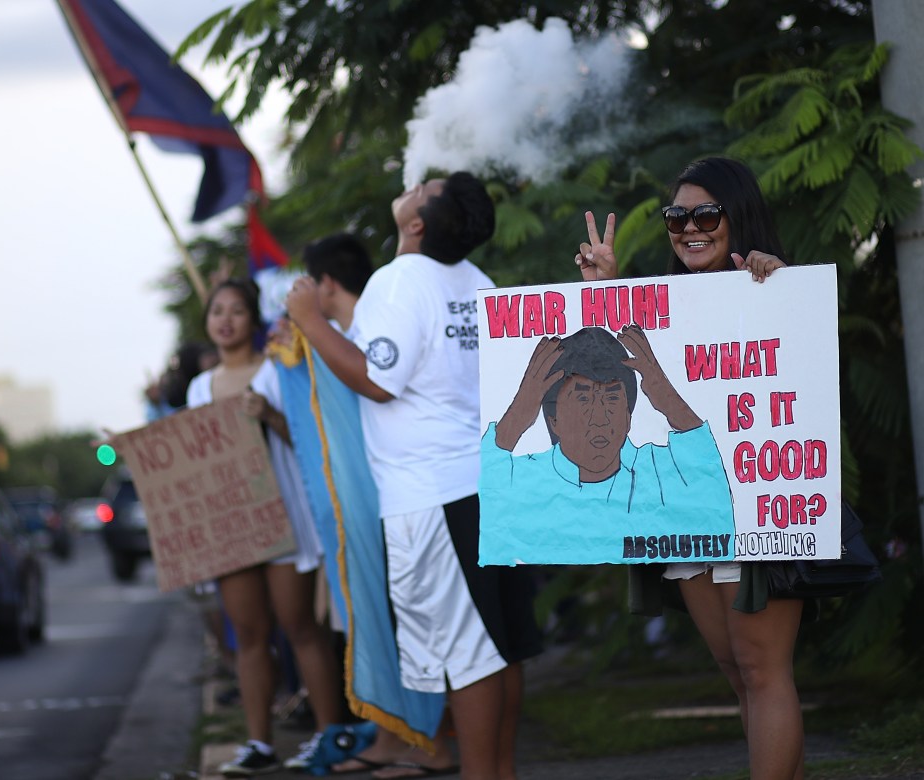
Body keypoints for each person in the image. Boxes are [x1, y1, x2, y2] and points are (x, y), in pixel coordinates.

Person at [287, 173, 542, 780]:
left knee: (470, 656)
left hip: (433, 495)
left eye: (423, 185)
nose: (413, 179)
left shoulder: (399, 280)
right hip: (487, 482)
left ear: (418, 222)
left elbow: (378, 380)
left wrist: (309, 320)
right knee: (501, 647)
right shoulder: (475, 281)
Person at [575, 156, 804, 780]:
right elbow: (620, 375)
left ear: (740, 217)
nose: (690, 228)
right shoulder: (664, 303)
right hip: (685, 510)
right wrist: (605, 289)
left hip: (755, 505)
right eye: (679, 217)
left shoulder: (773, 284)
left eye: (707, 214)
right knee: (736, 669)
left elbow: (802, 365)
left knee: (761, 670)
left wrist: (776, 285)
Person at [187, 278, 344, 777]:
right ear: (208, 323)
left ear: (252, 321)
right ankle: (259, 742)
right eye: (217, 312)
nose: (226, 320)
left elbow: (306, 434)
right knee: (249, 635)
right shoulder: (198, 388)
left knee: (300, 627)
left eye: (236, 311)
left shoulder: (276, 371)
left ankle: (328, 733)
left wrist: (271, 415)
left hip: (283, 518)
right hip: (233, 526)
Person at [480, 325, 734, 565]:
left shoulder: (659, 470)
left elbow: (717, 506)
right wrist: (519, 413)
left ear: (628, 416)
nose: (600, 419)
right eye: (583, 399)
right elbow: (489, 508)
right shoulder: (525, 479)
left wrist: (665, 395)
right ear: (553, 419)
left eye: (612, 399)